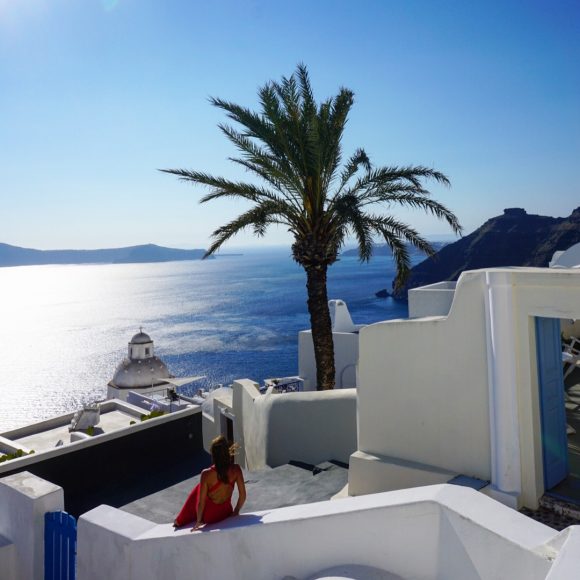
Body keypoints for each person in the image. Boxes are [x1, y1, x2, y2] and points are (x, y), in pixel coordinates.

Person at [173, 435, 246, 530]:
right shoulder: (236, 469)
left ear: (213, 455)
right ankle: (181, 519)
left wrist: (199, 521)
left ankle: (180, 520)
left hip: (210, 517)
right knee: (203, 487)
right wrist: (236, 511)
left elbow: (201, 503)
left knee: (199, 488)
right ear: (227, 452)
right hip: (227, 512)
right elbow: (243, 495)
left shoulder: (206, 474)